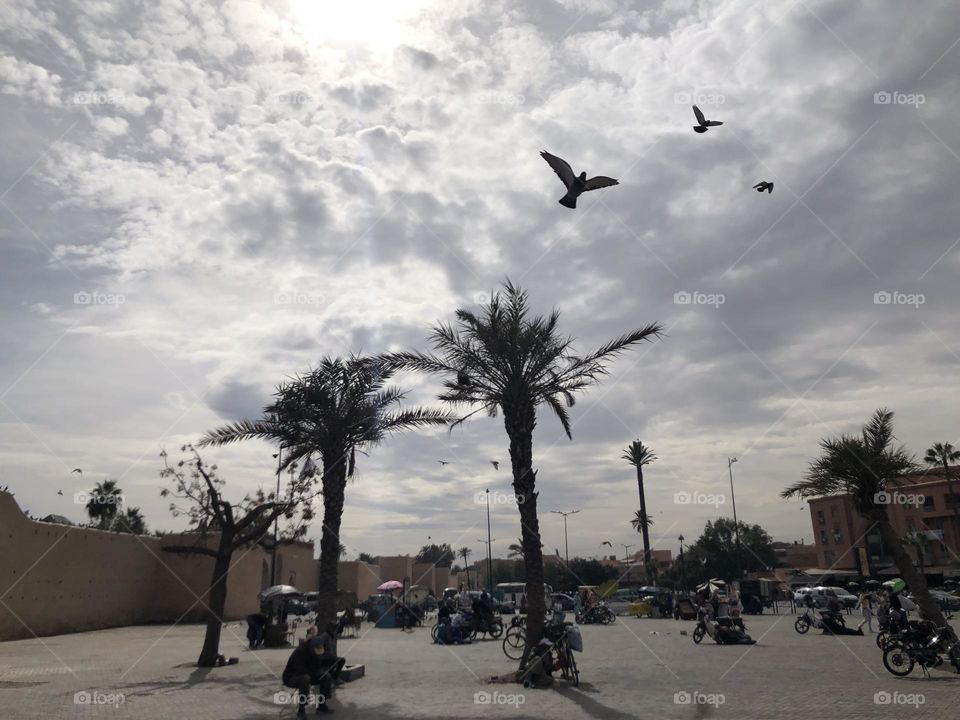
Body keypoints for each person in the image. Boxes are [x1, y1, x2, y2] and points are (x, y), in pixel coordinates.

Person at [281, 637, 328, 717]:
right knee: (305, 678)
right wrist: (314, 672)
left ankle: (321, 705)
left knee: (325, 676)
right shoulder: (300, 652)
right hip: (291, 677)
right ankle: (301, 710)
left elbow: (318, 666)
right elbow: (299, 670)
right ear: (312, 647)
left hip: (309, 674)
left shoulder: (315, 651)